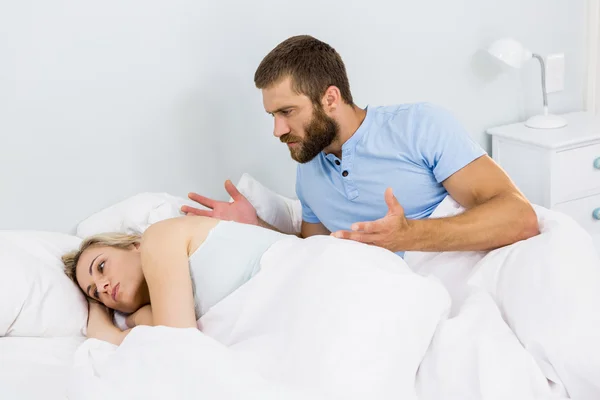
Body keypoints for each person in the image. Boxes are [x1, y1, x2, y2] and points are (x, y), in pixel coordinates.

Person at [182, 35, 540, 257]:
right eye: (272, 115)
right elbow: (313, 253)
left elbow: (519, 217)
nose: (277, 129)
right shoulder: (309, 171)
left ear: (330, 98)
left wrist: (409, 236)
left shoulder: (420, 126)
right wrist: (255, 226)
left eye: (287, 111)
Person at [62, 215, 289, 346]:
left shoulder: (158, 236)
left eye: (101, 267)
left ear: (134, 246)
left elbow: (179, 346)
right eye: (94, 293)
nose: (102, 287)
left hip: (299, 277)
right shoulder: (157, 314)